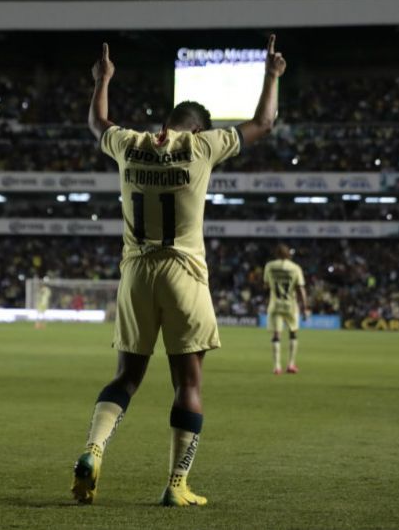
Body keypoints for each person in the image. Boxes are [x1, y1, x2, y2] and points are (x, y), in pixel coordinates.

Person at [70, 35, 287, 506]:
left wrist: (103, 80)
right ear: (199, 128)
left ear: (165, 123)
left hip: (135, 273)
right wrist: (271, 76)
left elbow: (96, 122)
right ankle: (175, 485)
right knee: (187, 382)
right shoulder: (203, 147)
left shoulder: (130, 144)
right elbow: (265, 122)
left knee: (126, 377)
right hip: (184, 273)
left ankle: (93, 450)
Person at [263, 244, 308, 374]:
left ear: (276, 253)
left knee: (276, 335)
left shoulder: (270, 266)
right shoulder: (295, 268)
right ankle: (291, 364)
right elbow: (301, 289)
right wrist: (305, 307)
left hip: (275, 304)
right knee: (293, 332)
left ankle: (277, 367)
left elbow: (266, 285)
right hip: (291, 305)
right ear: (289, 254)